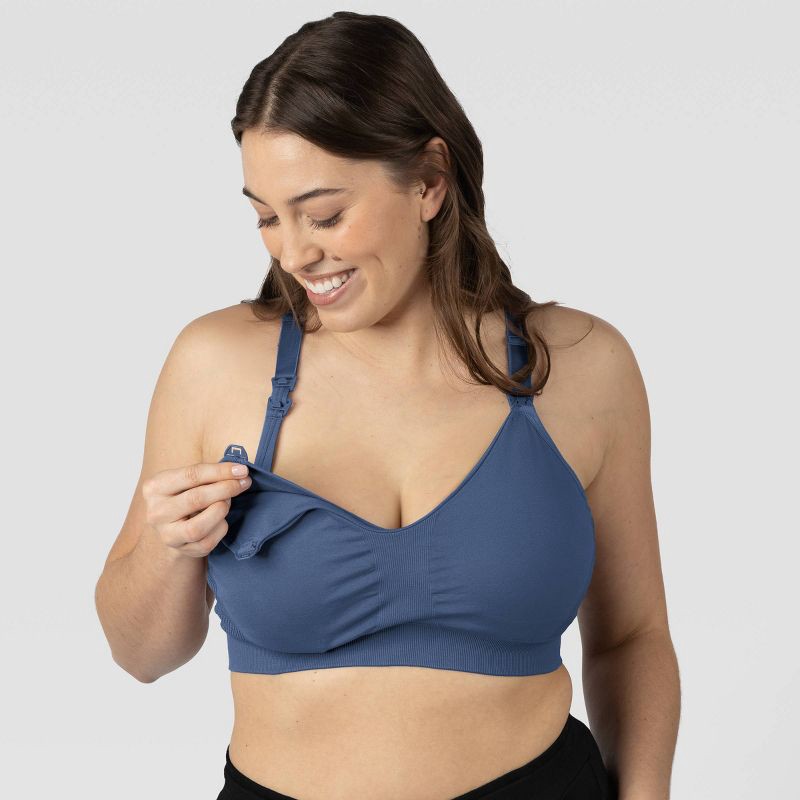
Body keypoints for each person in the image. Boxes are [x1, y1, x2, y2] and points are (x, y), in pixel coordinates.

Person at [94, 11, 679, 800]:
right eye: (266, 216)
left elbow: (632, 637)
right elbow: (141, 656)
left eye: (324, 214)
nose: (294, 252)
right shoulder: (215, 364)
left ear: (430, 180)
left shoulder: (579, 365)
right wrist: (169, 549)